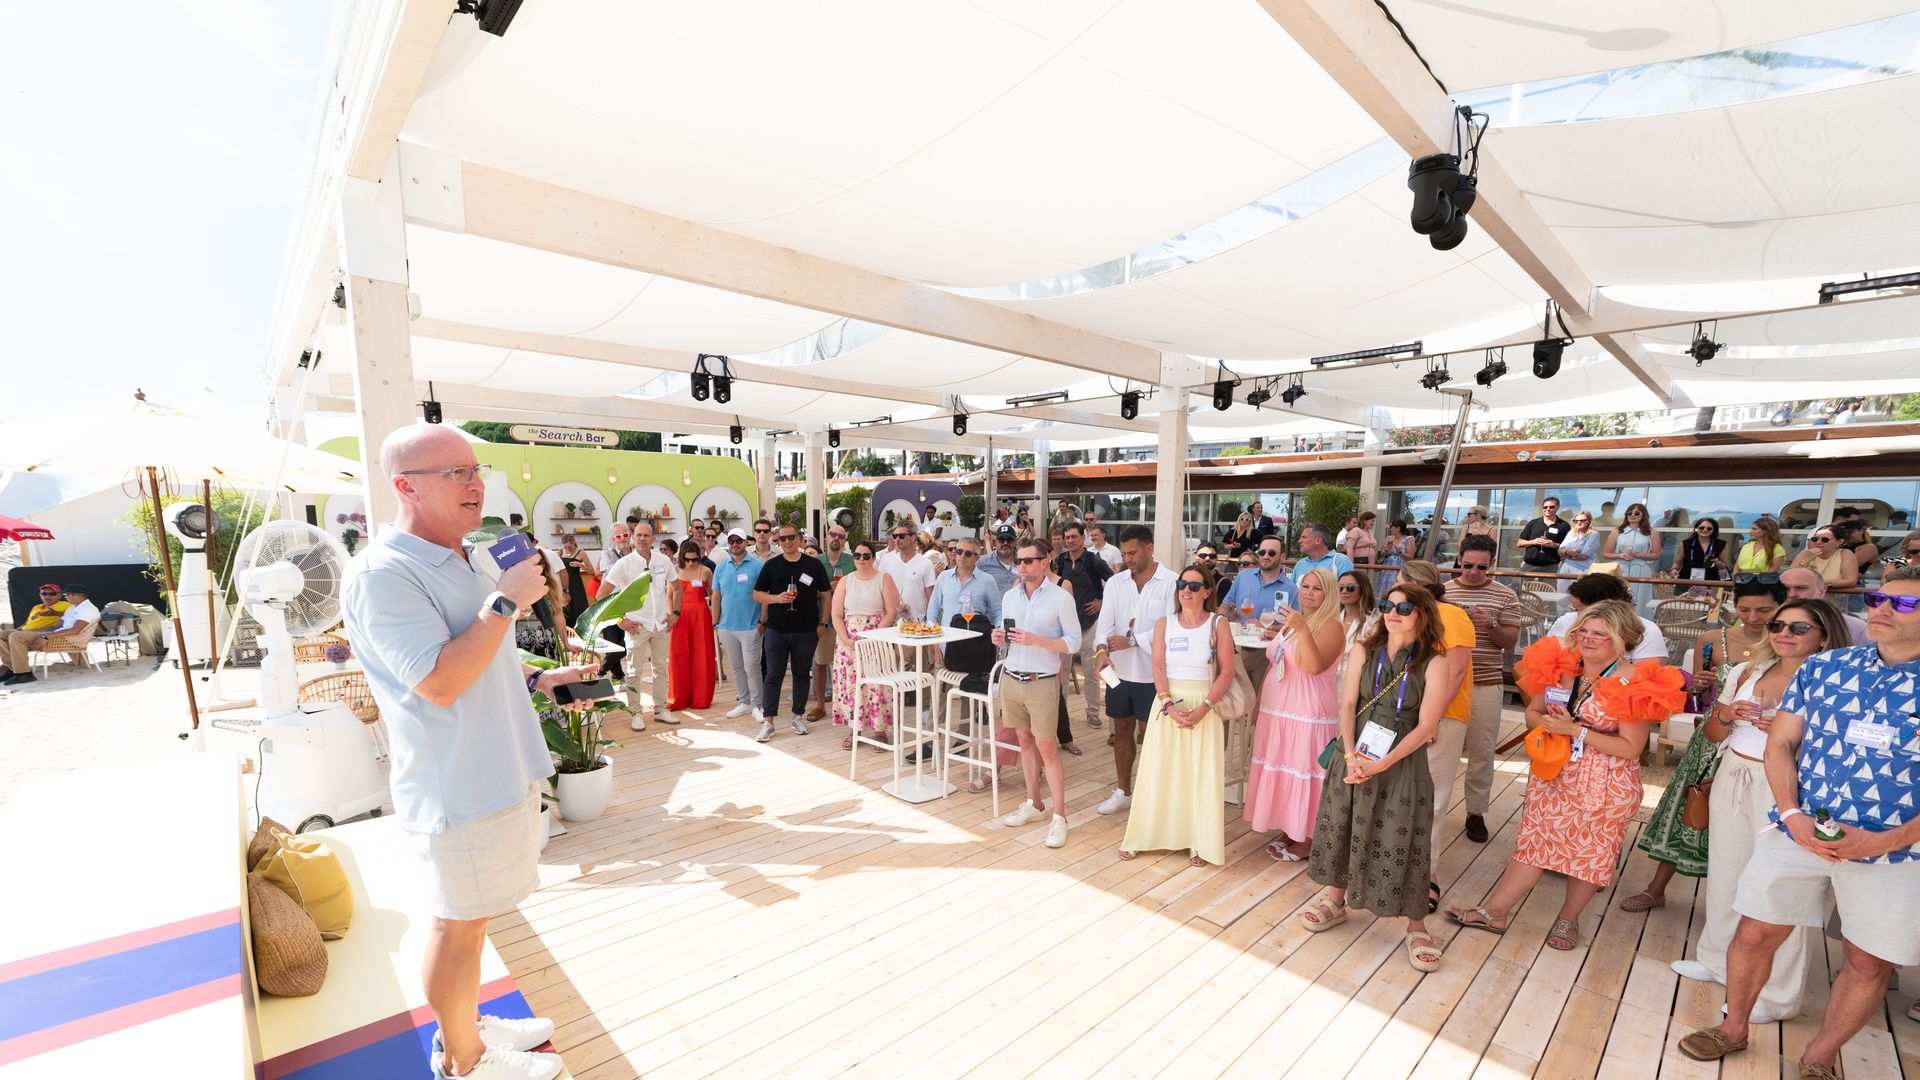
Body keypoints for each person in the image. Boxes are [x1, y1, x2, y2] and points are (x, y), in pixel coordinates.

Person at [342, 425, 598, 1080]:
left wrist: (544, 680)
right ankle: (466, 1060)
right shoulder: (384, 575)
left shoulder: (462, 558)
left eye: (474, 468)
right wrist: (506, 600)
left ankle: (469, 1025)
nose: (474, 482)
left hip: (497, 771)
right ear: (404, 486)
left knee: (475, 919)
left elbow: (482, 660)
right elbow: (440, 680)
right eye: (454, 472)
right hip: (455, 784)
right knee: (456, 924)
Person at [1677, 568, 1920, 1077]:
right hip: (1801, 828)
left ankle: (1820, 1056)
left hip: (1898, 849)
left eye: (1902, 606)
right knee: (1753, 933)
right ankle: (1733, 1027)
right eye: (1878, 598)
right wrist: (1791, 813)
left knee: (1868, 961)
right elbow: (1782, 743)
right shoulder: (1827, 668)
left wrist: (1888, 839)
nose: (1880, 609)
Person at [1448, 601, 1679, 952]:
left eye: (1599, 634)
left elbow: (1632, 748)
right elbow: (1531, 713)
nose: (1587, 639)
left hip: (1605, 783)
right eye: (1582, 631)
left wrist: (1575, 731)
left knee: (1589, 856)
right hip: (1555, 773)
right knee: (1533, 843)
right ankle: (1494, 912)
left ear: (1621, 639)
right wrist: (1552, 725)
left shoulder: (1634, 681)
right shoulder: (1564, 668)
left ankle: (1568, 921)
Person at [1668, 598, 1849, 1021]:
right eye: (1778, 625)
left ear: (1824, 636)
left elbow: (1840, 752)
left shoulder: (1833, 682)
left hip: (1789, 788)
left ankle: (1777, 994)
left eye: (1799, 629)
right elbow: (1712, 733)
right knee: (1726, 874)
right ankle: (1716, 961)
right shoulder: (1748, 671)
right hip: (1734, 773)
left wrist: (1789, 737)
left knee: (1784, 893)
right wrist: (1729, 713)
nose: (1783, 633)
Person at [1300, 584, 1452, 974]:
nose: (1393, 612)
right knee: (1344, 823)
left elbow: (1427, 726)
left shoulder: (1435, 662)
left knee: (1405, 834)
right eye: (1387, 605)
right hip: (1356, 751)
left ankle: (1416, 927)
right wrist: (1351, 756)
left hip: (1402, 760)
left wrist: (1382, 765)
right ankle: (1336, 899)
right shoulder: (1365, 651)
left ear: (1423, 614)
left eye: (1404, 607)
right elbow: (1348, 704)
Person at [1619, 577, 1786, 915]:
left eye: (1764, 609)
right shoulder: (1713, 639)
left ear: (1780, 606)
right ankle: (1656, 889)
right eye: (1745, 609)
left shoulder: (1788, 642)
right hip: (1714, 735)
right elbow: (1699, 696)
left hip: (1765, 744)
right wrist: (1699, 683)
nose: (1754, 617)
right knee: (1689, 807)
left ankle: (1739, 905)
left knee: (1749, 822)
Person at [1117, 563, 1236, 866]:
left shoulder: (1218, 624)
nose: (1186, 590)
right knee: (1158, 771)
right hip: (1168, 703)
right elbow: (1158, 667)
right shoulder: (1164, 623)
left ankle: (1199, 840)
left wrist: (1205, 707)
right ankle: (1144, 836)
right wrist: (1168, 705)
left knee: (1199, 774)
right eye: (1182, 584)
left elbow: (1227, 671)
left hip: (1204, 703)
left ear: (1207, 591)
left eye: (1194, 586)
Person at [1243, 568, 1347, 862]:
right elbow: (1273, 663)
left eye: (1317, 589)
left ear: (1328, 595)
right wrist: (1259, 701)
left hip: (1306, 711)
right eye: (1306, 587)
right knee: (1281, 764)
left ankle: (1309, 837)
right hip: (1278, 709)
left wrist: (1301, 629)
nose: (1309, 593)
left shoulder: (1330, 625)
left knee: (1305, 770)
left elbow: (1314, 666)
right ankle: (1292, 828)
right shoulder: (1293, 623)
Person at [1395, 561, 1476, 910]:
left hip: (1441, 717)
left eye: (1399, 581)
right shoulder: (1409, 615)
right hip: (1407, 715)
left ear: (1415, 584)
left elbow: (1456, 671)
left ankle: (1426, 879)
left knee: (1433, 799)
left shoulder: (1451, 615)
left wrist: (1430, 720)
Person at [995, 539, 1080, 847]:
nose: (1023, 565)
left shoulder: (1060, 598)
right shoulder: (1009, 597)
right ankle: (1034, 803)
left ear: (1045, 562)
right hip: (1011, 677)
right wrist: (1000, 638)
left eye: (1029, 560)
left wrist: (1037, 640)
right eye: (1020, 560)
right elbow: (1008, 638)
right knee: (1025, 743)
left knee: (1047, 749)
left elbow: (1074, 642)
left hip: (1042, 680)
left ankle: (1060, 816)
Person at [1092, 525, 1179, 817]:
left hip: (1153, 674)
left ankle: (1152, 796)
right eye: (1125, 552)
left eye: (1133, 552)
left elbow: (1170, 628)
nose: (1127, 558)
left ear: (1149, 548)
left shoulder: (1172, 582)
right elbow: (1105, 623)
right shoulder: (1116, 583)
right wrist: (1101, 650)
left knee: (1152, 735)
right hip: (1119, 672)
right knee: (1121, 730)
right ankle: (1123, 790)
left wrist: (1132, 641)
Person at [1443, 534, 1524, 844]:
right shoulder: (1445, 592)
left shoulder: (1505, 596)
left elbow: (1509, 643)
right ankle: (1433, 808)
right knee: (1440, 750)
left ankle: (1475, 812)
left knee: (1481, 751)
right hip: (1447, 684)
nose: (1473, 572)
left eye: (1480, 567)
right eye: (1467, 565)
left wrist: (1490, 624)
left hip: (1485, 683)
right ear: (1459, 560)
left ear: (1492, 564)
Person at [751, 524, 828, 742]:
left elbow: (826, 595)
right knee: (773, 674)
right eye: (782, 539)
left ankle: (798, 716)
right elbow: (757, 594)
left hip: (806, 630)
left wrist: (823, 623)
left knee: (802, 674)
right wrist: (776, 598)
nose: (787, 542)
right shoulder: (771, 565)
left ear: (799, 538)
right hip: (777, 629)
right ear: (778, 542)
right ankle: (768, 722)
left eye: (791, 537)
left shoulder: (813, 565)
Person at [599, 520, 678, 730]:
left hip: (660, 624)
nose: (642, 538)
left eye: (647, 535)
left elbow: (676, 586)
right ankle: (636, 713)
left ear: (653, 538)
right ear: (633, 538)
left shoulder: (664, 560)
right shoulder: (623, 564)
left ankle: (661, 710)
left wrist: (675, 612)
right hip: (636, 626)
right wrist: (620, 621)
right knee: (634, 672)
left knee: (661, 669)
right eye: (639, 535)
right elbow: (601, 595)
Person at [830, 539, 901, 748]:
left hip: (876, 639)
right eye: (858, 556)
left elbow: (891, 611)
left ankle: (880, 730)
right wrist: (845, 639)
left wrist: (874, 636)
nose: (861, 559)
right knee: (852, 685)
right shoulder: (846, 581)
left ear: (873, 558)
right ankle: (855, 729)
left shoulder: (883, 578)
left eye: (866, 556)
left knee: (877, 685)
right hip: (849, 641)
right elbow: (836, 615)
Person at [1054, 521, 1113, 731]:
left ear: (1083, 537)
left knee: (1091, 673)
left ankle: (1093, 713)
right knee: (1060, 674)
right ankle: (1061, 717)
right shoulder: (1059, 560)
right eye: (1067, 537)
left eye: (1074, 537)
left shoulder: (1093, 561)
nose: (1070, 541)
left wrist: (1101, 602)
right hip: (1065, 628)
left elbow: (1115, 583)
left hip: (1089, 626)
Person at [1544, 573, 1670, 660]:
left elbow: (1646, 683)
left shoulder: (1646, 631)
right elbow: (1544, 661)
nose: (1578, 616)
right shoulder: (1568, 620)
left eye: (1583, 610)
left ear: (1607, 606)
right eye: (1575, 609)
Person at [713, 530, 766, 724]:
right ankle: (744, 702)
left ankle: (757, 705)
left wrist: (762, 622)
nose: (735, 544)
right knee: (736, 667)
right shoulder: (720, 567)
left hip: (751, 626)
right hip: (727, 627)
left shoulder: (757, 565)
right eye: (731, 541)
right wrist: (715, 623)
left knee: (752, 667)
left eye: (739, 541)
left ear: (746, 543)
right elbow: (716, 596)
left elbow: (765, 596)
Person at [2, 583, 97, 684]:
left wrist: (45, 636)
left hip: (65, 638)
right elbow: (57, 627)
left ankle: (24, 674)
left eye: (65, 595)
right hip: (55, 633)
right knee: (3, 635)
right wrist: (32, 631)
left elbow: (75, 630)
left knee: (16, 636)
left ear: (73, 595)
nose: (65, 597)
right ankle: (12, 669)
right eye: (44, 593)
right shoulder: (72, 608)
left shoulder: (88, 609)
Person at [809, 525, 856, 723]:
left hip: (847, 622)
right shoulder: (815, 562)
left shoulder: (852, 561)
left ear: (844, 540)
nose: (836, 538)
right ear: (826, 537)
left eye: (841, 536)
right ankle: (820, 705)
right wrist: (826, 589)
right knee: (820, 662)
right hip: (823, 620)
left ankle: (848, 704)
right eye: (833, 534)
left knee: (849, 665)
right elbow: (807, 591)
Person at [666, 541, 717, 713]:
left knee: (701, 656)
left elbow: (713, 594)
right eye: (686, 560)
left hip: (701, 616)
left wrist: (715, 615)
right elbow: (669, 595)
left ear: (699, 557)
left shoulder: (706, 571)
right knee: (678, 656)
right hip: (680, 616)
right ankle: (678, 698)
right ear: (681, 558)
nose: (689, 563)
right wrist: (671, 613)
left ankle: (701, 698)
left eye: (693, 560)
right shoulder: (674, 570)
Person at [1780, 566, 1871, 646]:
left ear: (1822, 591)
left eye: (1801, 588)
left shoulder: (1855, 628)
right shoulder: (1767, 623)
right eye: (1785, 589)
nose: (1791, 594)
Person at [1604, 502, 1662, 613]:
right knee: (1618, 597)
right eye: (1629, 513)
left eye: (1636, 513)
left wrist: (1638, 554)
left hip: (1641, 569)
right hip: (1620, 568)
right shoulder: (1617, 531)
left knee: (1640, 600)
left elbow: (1656, 554)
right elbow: (1606, 553)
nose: (1632, 515)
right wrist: (1619, 555)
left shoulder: (1651, 532)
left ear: (1643, 515)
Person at [880, 521, 936, 621]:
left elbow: (931, 597)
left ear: (913, 537)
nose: (897, 539)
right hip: (891, 620)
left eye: (901, 536)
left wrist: (930, 622)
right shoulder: (887, 562)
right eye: (895, 536)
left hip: (917, 622)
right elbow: (880, 590)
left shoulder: (926, 563)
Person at [1516, 496, 1571, 584]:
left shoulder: (1564, 525)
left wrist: (1554, 545)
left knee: (1548, 593)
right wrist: (1534, 541)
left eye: (1551, 507)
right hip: (1530, 564)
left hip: (1551, 566)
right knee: (1519, 589)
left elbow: (1568, 547)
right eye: (1545, 507)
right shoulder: (1533, 523)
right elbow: (1519, 543)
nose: (1548, 509)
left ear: (1558, 507)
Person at [1670, 517, 1730, 595]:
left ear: (1713, 530)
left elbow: (1724, 566)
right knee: (1684, 605)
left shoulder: (1721, 544)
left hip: (1711, 581)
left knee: (1708, 605)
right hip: (1687, 580)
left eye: (1709, 528)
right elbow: (1677, 562)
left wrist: (1717, 562)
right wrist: (1674, 569)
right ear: (1696, 529)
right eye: (1701, 527)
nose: (1705, 530)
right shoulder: (1685, 543)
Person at [1790, 524, 1859, 589]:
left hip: (1832, 598)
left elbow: (1851, 581)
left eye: (1825, 540)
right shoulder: (1805, 553)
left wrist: (1822, 584)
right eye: (1815, 539)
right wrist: (1806, 560)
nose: (1818, 542)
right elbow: (1789, 576)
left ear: (1839, 542)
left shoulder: (1845, 554)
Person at [556, 537, 592, 627]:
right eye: (566, 546)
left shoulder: (581, 553)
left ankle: (581, 631)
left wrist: (580, 565)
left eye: (570, 546)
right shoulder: (560, 552)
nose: (568, 548)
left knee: (579, 608)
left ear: (574, 543)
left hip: (576, 585)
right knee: (565, 610)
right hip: (563, 585)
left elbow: (592, 571)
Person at [978, 524, 1020, 594]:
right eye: (1001, 540)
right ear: (996, 541)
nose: (1005, 543)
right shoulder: (982, 562)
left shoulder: (1025, 561)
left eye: (1009, 540)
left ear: (1015, 541)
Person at [1558, 510, 1599, 579]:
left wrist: (1565, 556)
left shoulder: (1593, 534)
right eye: (1576, 521)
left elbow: (1583, 556)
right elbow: (1559, 550)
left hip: (1582, 569)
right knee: (1561, 589)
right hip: (1566, 567)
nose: (1579, 522)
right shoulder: (1571, 533)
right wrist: (1567, 552)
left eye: (1582, 520)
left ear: (1589, 521)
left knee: (1578, 589)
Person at [1376, 519, 1414, 593]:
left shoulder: (1408, 539)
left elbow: (1410, 557)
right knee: (1384, 585)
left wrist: (1400, 552)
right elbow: (1381, 554)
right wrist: (1386, 550)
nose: (1390, 528)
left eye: (1391, 526)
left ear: (1398, 528)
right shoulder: (1389, 538)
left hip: (1400, 567)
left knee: (1397, 585)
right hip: (1387, 567)